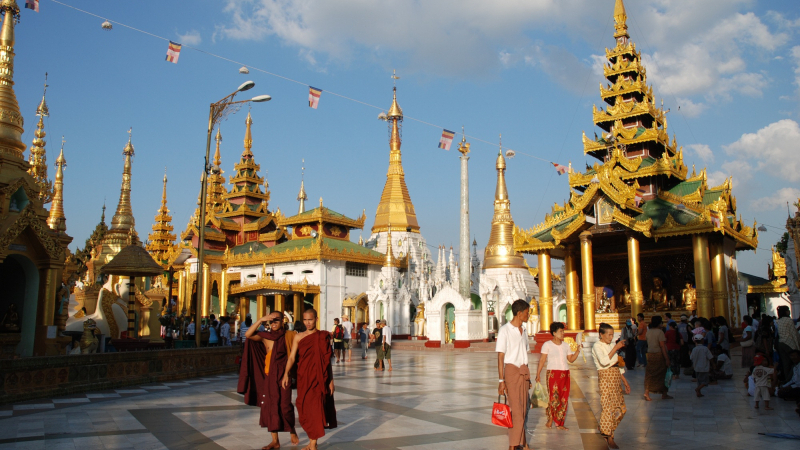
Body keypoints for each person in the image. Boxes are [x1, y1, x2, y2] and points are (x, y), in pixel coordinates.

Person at [239, 312, 299, 449]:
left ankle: (292, 430)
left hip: (284, 376)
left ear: (283, 321)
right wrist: (260, 320)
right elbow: (248, 335)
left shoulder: (289, 336)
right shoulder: (266, 337)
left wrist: (288, 374)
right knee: (270, 407)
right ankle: (275, 441)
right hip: (269, 376)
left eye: (276, 320)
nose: (273, 323)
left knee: (285, 405)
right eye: (271, 321)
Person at [281, 309, 337, 449]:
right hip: (304, 378)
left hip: (319, 379)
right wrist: (286, 374)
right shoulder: (298, 337)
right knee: (303, 407)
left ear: (316, 319)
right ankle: (312, 440)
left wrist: (330, 380)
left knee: (316, 409)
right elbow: (292, 357)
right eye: (305, 320)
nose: (307, 323)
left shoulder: (323, 336)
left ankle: (313, 443)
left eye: (310, 320)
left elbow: (326, 361)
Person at [496, 299, 532, 450]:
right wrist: (501, 380)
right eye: (527, 312)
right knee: (516, 411)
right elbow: (500, 356)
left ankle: (522, 443)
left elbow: (525, 353)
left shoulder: (524, 331)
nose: (529, 315)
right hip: (511, 371)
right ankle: (513, 445)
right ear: (519, 313)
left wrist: (528, 378)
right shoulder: (505, 330)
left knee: (523, 409)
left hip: (523, 372)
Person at [535, 322, 580, 430]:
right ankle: (550, 419)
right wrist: (538, 374)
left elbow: (571, 359)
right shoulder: (547, 345)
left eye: (563, 331)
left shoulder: (566, 345)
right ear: (554, 333)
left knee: (563, 398)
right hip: (553, 373)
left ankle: (559, 423)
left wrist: (577, 351)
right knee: (554, 397)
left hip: (565, 373)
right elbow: (542, 360)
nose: (563, 333)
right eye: (560, 331)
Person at [592, 323, 629, 449]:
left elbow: (616, 364)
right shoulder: (597, 346)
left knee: (621, 409)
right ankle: (609, 436)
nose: (611, 337)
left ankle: (605, 427)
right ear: (601, 335)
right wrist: (616, 348)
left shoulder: (612, 344)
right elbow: (604, 362)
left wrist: (624, 381)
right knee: (608, 407)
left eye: (612, 335)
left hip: (615, 376)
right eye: (609, 335)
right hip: (606, 377)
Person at [643, 315, 673, 401]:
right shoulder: (660, 332)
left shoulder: (648, 332)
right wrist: (667, 358)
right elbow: (662, 346)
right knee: (662, 373)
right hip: (659, 355)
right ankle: (664, 393)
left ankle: (647, 391)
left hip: (650, 355)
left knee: (650, 374)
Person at [776, 306, 800, 382]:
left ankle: (787, 380)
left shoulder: (779, 321)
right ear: (786, 311)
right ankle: (794, 379)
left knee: (785, 363)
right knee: (794, 363)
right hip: (789, 343)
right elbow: (794, 334)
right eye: (788, 310)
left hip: (781, 343)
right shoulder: (789, 320)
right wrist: (798, 347)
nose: (789, 312)